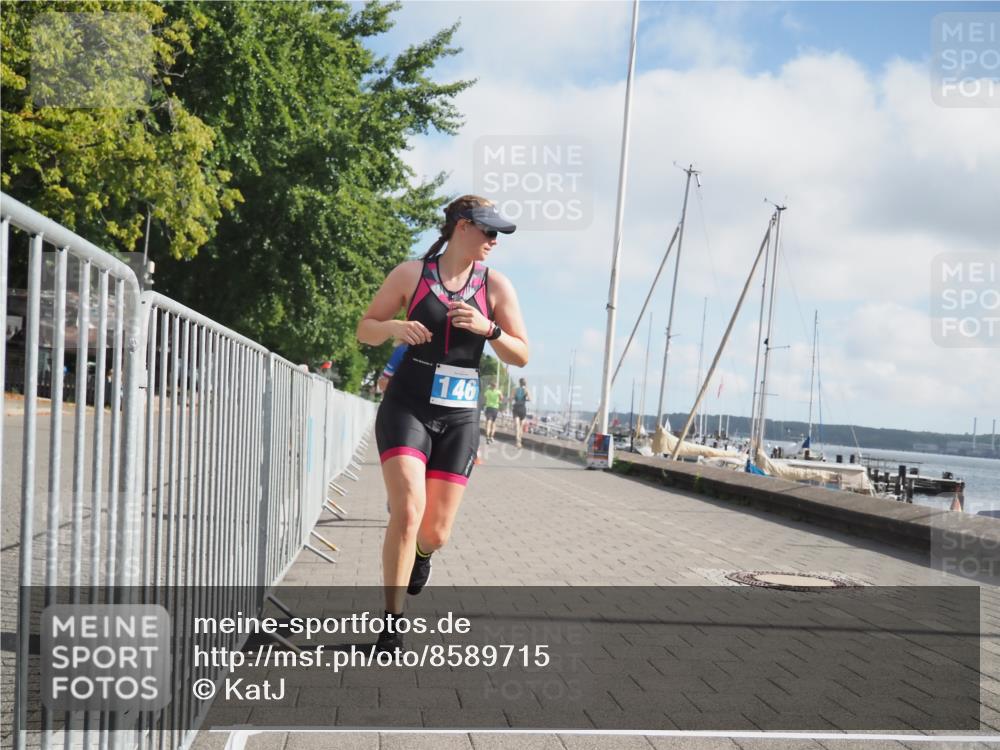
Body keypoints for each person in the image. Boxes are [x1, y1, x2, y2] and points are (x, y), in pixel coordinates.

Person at [356, 195, 529, 651]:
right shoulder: (411, 275)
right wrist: (394, 328)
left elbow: (522, 354)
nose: (493, 240)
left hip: (459, 417)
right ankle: (391, 625)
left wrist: (488, 329)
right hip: (407, 406)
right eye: (488, 230)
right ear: (461, 226)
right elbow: (365, 328)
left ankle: (422, 555)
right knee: (408, 510)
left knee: (434, 531)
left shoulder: (496, 288)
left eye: (498, 234)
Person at [512, 377, 530, 448]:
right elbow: (529, 398)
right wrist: (525, 398)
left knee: (517, 425)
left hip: (516, 408)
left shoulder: (515, 389)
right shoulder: (526, 390)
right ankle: (519, 441)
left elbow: (511, 398)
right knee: (520, 426)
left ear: (519, 383)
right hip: (522, 409)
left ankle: (518, 441)